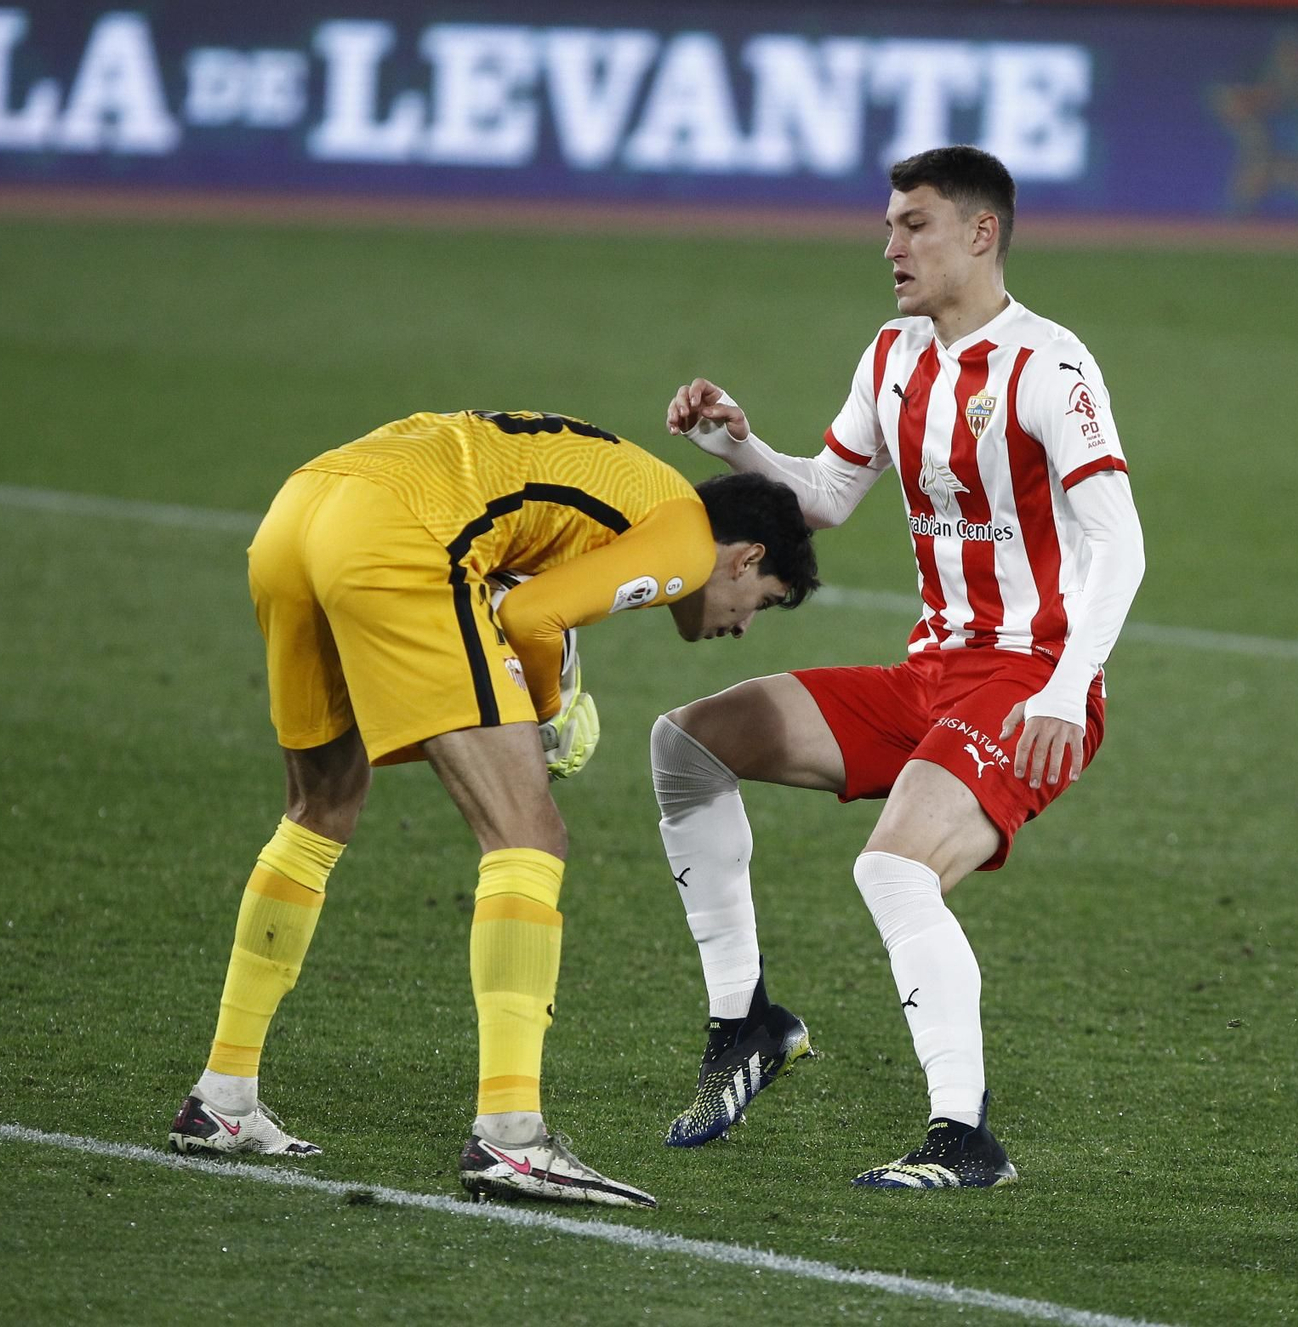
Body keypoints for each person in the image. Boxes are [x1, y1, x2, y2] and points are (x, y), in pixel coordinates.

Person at [166, 407, 819, 1211]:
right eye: (761, 598)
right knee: (528, 831)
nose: (743, 623)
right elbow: (526, 617)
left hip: (302, 510)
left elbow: (516, 580)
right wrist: (548, 715)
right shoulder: (685, 541)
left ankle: (222, 1098)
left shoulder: (630, 486)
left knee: (320, 806)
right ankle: (512, 1137)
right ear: (746, 556)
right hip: (393, 530)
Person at [656, 146, 1146, 1190]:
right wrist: (739, 446)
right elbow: (825, 495)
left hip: (1027, 683)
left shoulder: (1049, 366)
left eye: (912, 224)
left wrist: (1066, 688)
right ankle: (745, 1020)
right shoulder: (890, 355)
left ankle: (961, 1135)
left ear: (981, 233)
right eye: (888, 225)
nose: (890, 246)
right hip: (928, 675)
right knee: (688, 744)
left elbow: (1123, 541)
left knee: (891, 868)